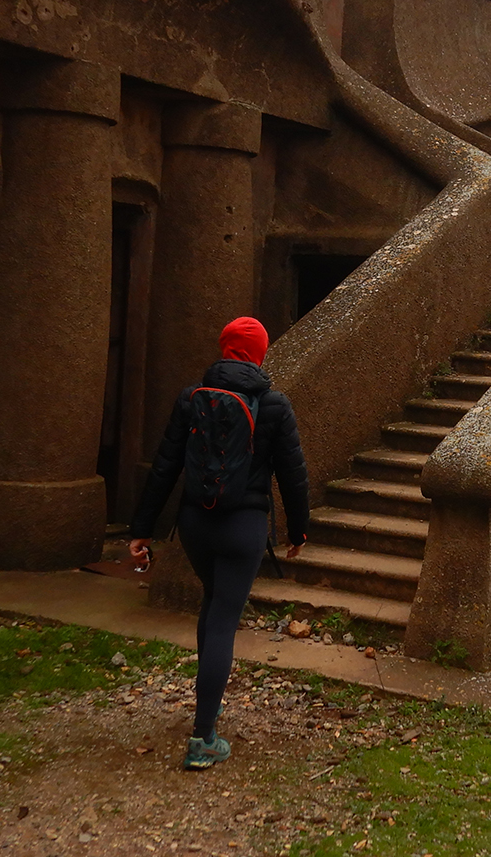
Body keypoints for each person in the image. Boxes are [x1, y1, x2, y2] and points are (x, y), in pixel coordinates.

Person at [128, 316, 309, 771]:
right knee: (224, 618)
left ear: (224, 348)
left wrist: (142, 529)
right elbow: (292, 474)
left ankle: (207, 708)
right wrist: (299, 530)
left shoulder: (192, 398)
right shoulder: (274, 405)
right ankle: (203, 736)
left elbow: (165, 466)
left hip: (194, 523)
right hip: (244, 526)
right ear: (261, 353)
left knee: (212, 605)